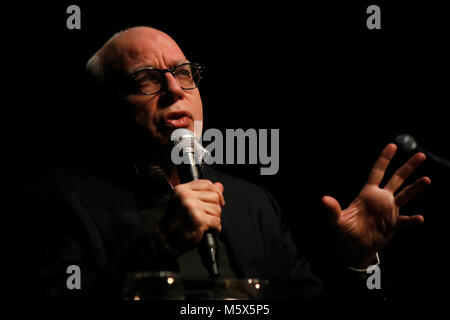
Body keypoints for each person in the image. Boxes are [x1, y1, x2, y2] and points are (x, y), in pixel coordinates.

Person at [21, 26, 430, 301]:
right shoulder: (56, 200)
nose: (173, 89)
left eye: (184, 73)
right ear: (104, 108)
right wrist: (160, 247)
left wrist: (355, 262)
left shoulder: (253, 203)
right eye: (146, 78)